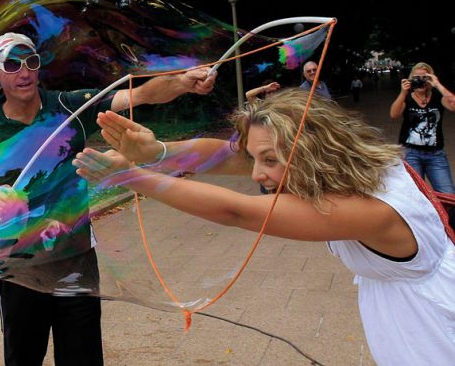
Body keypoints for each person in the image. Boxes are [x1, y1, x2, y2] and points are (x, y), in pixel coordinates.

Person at [73, 89, 455, 365]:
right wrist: (158, 153)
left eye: (269, 160)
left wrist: (134, 178)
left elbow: (238, 211)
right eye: (256, 157)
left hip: (432, 334)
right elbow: (224, 155)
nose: (256, 173)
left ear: (310, 150)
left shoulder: (372, 210)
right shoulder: (359, 165)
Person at [0, 31, 217, 366]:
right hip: (19, 269)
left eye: (31, 61)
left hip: (76, 261)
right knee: (23, 357)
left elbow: (137, 94)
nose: (24, 72)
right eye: (12, 64)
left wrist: (183, 83)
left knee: (82, 357)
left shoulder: (70, 107)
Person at [389, 62, 455, 194]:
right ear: (410, 78)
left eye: (424, 77)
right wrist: (403, 92)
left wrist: (438, 85)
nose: (420, 81)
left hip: (436, 154)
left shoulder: (437, 96)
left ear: (430, 78)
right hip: (410, 153)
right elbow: (393, 114)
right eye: (416, 77)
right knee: (414, 194)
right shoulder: (407, 98)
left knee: (448, 193)